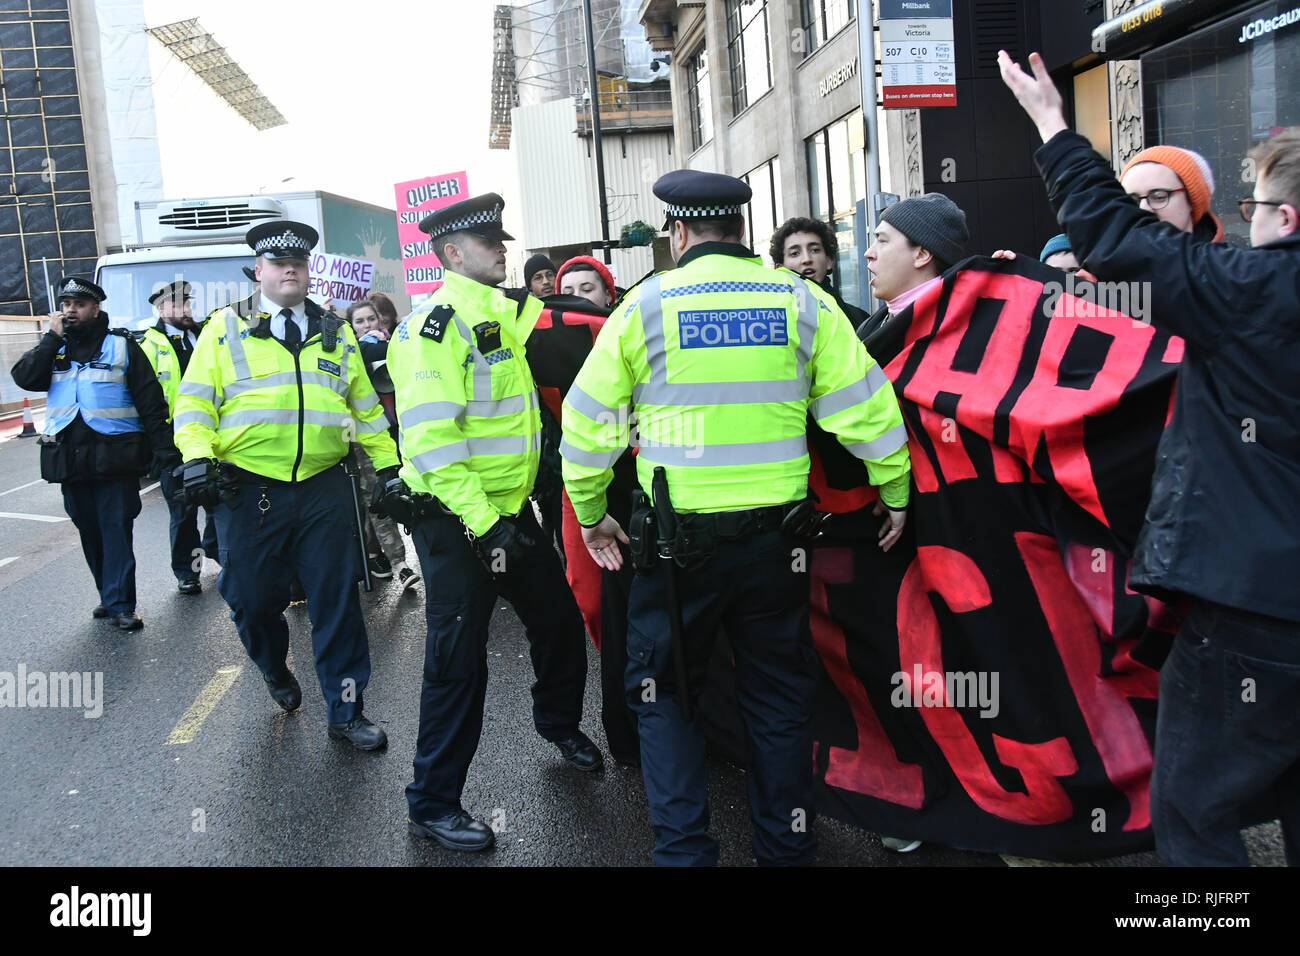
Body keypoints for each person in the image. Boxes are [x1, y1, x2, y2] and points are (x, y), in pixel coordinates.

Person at [1000, 50, 1300, 867]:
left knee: (1195, 809)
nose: (1255, 220)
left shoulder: (1252, 290)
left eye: (1260, 206)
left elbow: (1119, 241)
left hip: (1256, 609)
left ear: (1289, 219)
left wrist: (1054, 127)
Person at [561, 170, 912, 866]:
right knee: (778, 700)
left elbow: (589, 424)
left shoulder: (645, 305)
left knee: (664, 696)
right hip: (777, 547)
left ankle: (686, 854)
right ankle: (786, 849)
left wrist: (592, 515)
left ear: (680, 233)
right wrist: (895, 492)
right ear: (743, 232)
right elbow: (868, 410)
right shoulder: (801, 299)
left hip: (676, 550)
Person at [380, 193, 602, 852]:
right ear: (451, 254)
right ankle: (432, 801)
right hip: (459, 523)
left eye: (501, 239)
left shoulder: (498, 313)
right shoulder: (434, 328)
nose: (502, 249)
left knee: (559, 624)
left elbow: (558, 337)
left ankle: (558, 722)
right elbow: (433, 446)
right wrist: (485, 522)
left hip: (506, 513)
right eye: (487, 243)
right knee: (457, 663)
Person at [172, 220, 399, 751]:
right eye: (278, 263)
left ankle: (346, 711)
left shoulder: (334, 329)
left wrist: (388, 470)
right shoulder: (224, 327)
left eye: (298, 261)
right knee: (250, 598)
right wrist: (198, 456)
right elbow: (194, 402)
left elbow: (364, 410)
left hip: (324, 485)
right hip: (249, 489)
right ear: (259, 271)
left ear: (308, 268)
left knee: (337, 601)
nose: (289, 269)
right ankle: (274, 666)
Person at [11, 277, 174, 630]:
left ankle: (121, 604)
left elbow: (150, 402)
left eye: (79, 304)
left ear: (96, 308)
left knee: (115, 528)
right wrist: (51, 338)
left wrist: (164, 451)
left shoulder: (122, 347)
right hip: (69, 459)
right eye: (66, 303)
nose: (71, 310)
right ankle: (107, 593)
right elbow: (24, 377)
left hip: (116, 458)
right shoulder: (54, 347)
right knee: (88, 528)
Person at [530, 254, 641, 767]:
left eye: (587, 287)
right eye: (566, 287)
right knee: (593, 601)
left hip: (641, 481)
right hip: (579, 485)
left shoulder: (632, 332)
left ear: (609, 295)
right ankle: (621, 684)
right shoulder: (541, 345)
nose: (575, 294)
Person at [137, 279, 218, 595]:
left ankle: (213, 547)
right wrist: (159, 449)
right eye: (176, 304)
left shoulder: (204, 336)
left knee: (217, 505)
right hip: (173, 444)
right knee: (184, 515)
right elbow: (147, 401)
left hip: (211, 437)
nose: (184, 309)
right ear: (160, 308)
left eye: (187, 303)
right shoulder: (148, 345)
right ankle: (190, 571)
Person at [345, 299, 419, 593]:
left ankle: (376, 555)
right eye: (359, 322)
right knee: (377, 500)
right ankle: (399, 563)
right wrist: (362, 350)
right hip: (368, 440)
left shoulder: (397, 345)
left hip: (402, 434)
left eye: (371, 319)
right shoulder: (349, 354)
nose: (367, 325)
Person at [770, 216, 870, 327]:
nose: (807, 259)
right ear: (779, 268)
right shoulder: (774, 320)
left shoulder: (860, 319)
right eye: (795, 253)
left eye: (815, 250)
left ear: (829, 261)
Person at [1120, 144, 1224, 240]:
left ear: (1191, 201)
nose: (1143, 208)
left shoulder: (1227, 259)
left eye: (1159, 197)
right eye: (1131, 201)